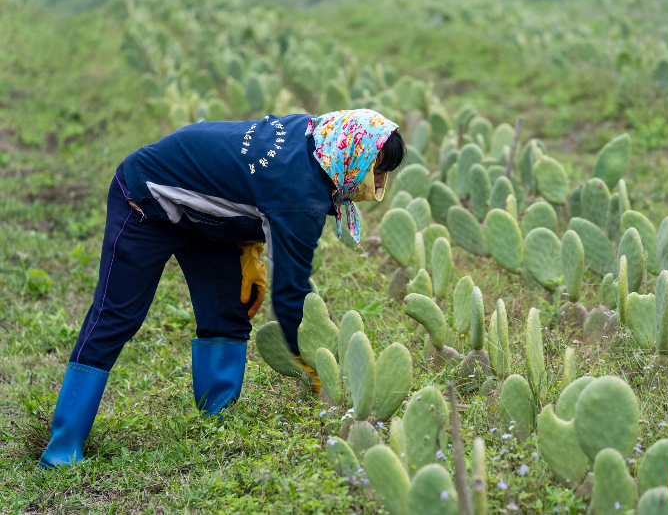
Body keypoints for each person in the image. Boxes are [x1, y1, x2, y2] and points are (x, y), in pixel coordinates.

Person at [40, 109, 406, 468]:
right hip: (146, 196)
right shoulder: (302, 193)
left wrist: (249, 249)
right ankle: (63, 446)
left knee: (228, 309)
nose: (377, 184)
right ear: (352, 155)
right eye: (376, 169)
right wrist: (313, 361)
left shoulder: (319, 137)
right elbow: (291, 293)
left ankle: (217, 421)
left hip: (204, 217)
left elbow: (245, 182)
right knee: (117, 316)